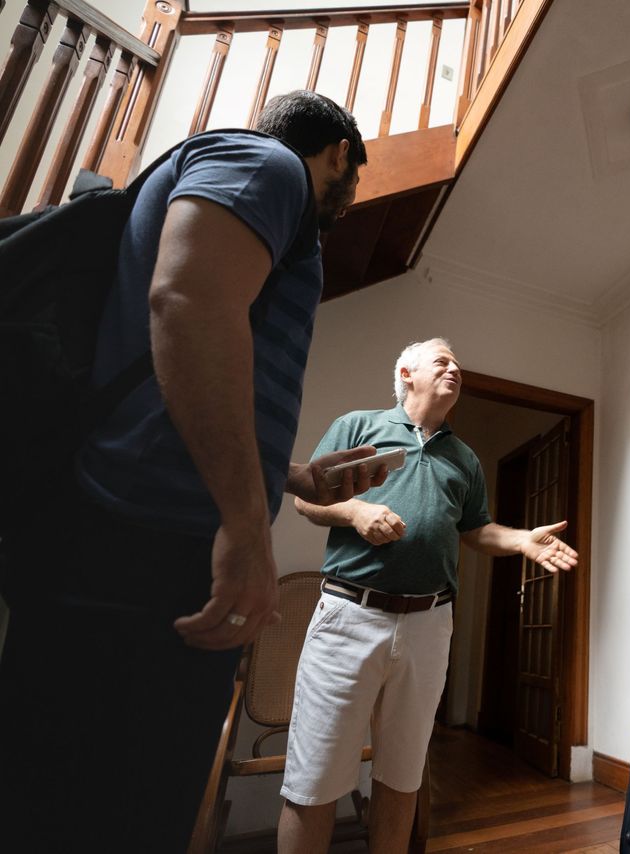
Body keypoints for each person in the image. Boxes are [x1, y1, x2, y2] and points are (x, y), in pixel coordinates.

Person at [0, 90, 387, 851]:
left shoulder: (241, 179)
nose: (349, 200)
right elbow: (186, 303)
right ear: (339, 153)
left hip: (119, 539)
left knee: (60, 800)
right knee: (118, 813)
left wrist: (293, 475)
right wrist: (247, 528)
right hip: (142, 549)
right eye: (354, 180)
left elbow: (177, 383)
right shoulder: (268, 165)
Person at [278, 338, 579, 854]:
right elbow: (308, 499)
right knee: (315, 777)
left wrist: (523, 539)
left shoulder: (464, 458)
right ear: (406, 372)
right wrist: (355, 512)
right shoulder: (358, 426)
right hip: (349, 615)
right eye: (443, 361)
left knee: (402, 776)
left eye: (459, 364)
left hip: (428, 624)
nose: (455, 368)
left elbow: (477, 530)